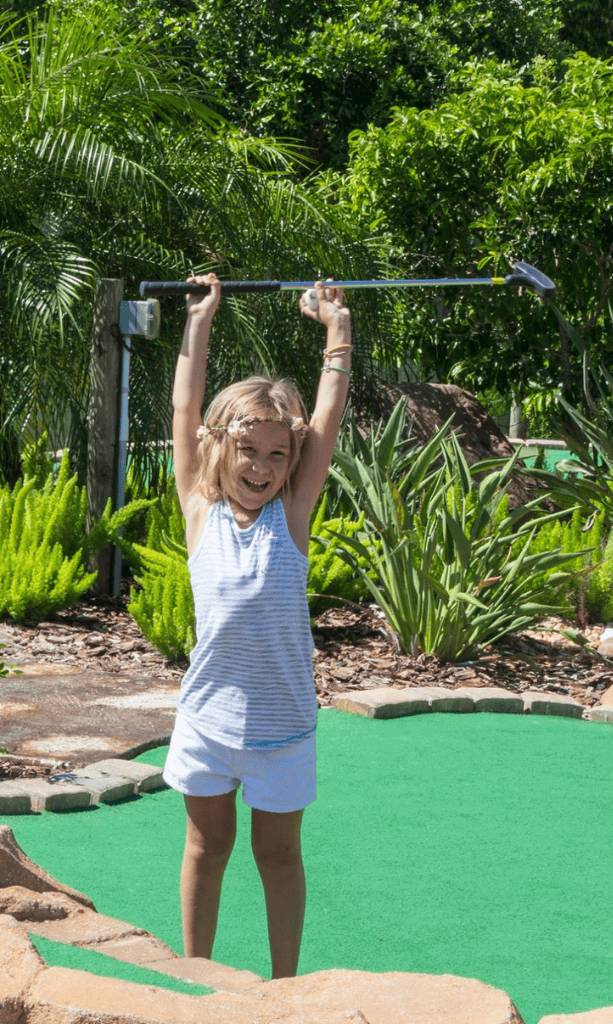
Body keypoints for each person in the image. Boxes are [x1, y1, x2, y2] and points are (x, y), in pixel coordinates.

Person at [162, 272, 352, 979]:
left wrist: (338, 331)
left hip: (282, 727)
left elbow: (327, 417)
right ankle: (195, 975)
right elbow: (184, 409)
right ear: (222, 447)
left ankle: (284, 990)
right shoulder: (198, 509)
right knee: (206, 849)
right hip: (206, 719)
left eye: (278, 454)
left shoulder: (292, 515)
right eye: (249, 451)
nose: (263, 467)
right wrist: (198, 321)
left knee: (278, 856)